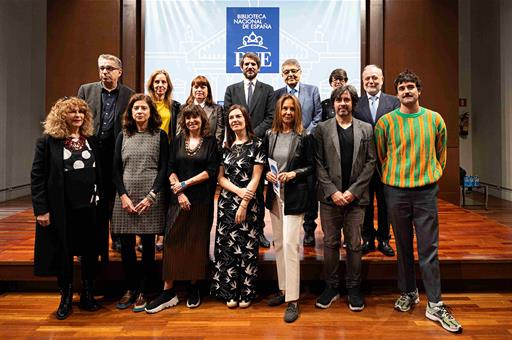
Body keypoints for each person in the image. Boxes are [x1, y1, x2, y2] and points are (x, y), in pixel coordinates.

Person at [374, 70, 462, 333]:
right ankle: (408, 291)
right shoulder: (385, 123)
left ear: (419, 90)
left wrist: (428, 176)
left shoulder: (435, 120)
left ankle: (434, 304)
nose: (406, 91)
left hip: (425, 192)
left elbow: (441, 155)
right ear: (396, 93)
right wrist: (394, 179)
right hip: (396, 191)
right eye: (401, 88)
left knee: (428, 249)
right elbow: (381, 156)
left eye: (411, 87)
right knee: (402, 246)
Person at [31, 97, 102, 320]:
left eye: (81, 111)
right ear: (62, 115)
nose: (78, 115)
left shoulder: (91, 139)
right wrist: (41, 209)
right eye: (72, 112)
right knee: (64, 253)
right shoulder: (48, 141)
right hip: (62, 209)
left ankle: (88, 293)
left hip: (90, 207)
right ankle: (66, 296)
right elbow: (37, 176)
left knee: (90, 252)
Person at [145, 105, 218, 313]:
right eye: (188, 119)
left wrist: (185, 185)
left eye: (195, 118)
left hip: (201, 200)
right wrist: (179, 191)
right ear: (183, 121)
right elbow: (169, 168)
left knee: (196, 243)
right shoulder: (176, 140)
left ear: (202, 120)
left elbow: (210, 171)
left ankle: (194, 287)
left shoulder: (211, 142)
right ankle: (168, 291)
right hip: (178, 199)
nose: (191, 122)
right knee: (172, 241)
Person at [314, 85, 375, 311]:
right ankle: (331, 287)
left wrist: (353, 191)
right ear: (333, 103)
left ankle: (354, 288)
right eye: (338, 100)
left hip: (356, 200)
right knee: (330, 243)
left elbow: (371, 162)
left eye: (347, 100)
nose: (342, 104)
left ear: (353, 103)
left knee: (354, 245)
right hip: (330, 199)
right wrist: (333, 191)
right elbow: (318, 163)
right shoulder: (321, 129)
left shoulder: (367, 129)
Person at [111, 94, 169, 312]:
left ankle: (144, 289)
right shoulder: (123, 135)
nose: (140, 112)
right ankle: (130, 287)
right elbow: (115, 170)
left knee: (147, 247)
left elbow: (164, 169)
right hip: (125, 197)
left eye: (144, 108)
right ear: (131, 112)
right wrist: (123, 195)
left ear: (150, 112)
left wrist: (151, 196)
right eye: (136, 109)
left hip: (150, 197)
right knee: (125, 247)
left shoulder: (160, 135)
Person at [78, 54, 134, 255]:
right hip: (92, 152)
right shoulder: (86, 90)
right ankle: (95, 238)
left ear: (119, 72)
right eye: (101, 68)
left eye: (109, 68)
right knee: (95, 195)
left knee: (116, 195)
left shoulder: (129, 94)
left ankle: (117, 237)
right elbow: (79, 119)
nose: (105, 72)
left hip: (118, 151)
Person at [264, 94, 314, 323]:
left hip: (295, 196)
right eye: (284, 109)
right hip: (275, 196)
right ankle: (283, 290)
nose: (287, 113)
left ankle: (293, 300)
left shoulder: (304, 137)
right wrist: (266, 172)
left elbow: (311, 166)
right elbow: (266, 162)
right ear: (278, 111)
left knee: (291, 245)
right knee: (279, 245)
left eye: (291, 109)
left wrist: (294, 173)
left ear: (297, 112)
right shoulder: (270, 135)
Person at [211, 104, 265, 309]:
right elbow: (220, 178)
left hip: (248, 204)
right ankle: (229, 292)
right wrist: (237, 192)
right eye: (231, 117)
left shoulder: (257, 144)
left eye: (238, 117)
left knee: (246, 249)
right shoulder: (226, 148)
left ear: (246, 119)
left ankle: (246, 292)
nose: (234, 120)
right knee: (227, 249)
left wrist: (244, 202)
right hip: (226, 204)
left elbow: (256, 178)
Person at [224, 52, 274, 248]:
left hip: (258, 147)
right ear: (241, 67)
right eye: (246, 64)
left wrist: (251, 135)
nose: (250, 67)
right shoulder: (231, 89)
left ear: (259, 67)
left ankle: (258, 230)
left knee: (257, 189)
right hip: (235, 147)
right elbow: (229, 115)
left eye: (253, 64)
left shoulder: (268, 90)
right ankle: (234, 227)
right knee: (235, 186)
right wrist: (242, 134)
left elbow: (270, 117)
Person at [274, 59, 322, 247]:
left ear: (300, 72)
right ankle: (285, 230)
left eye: (294, 71)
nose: (291, 74)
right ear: (282, 75)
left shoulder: (312, 90)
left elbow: (318, 115)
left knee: (309, 189)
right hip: (284, 149)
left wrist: (304, 134)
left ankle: (309, 230)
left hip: (307, 145)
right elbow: (276, 117)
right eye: (286, 72)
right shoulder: (277, 94)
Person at [354, 64, 399, 257]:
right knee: (365, 204)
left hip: (386, 163)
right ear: (363, 81)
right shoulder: (356, 103)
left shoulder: (394, 102)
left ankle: (384, 240)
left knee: (384, 204)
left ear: (382, 80)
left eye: (375, 78)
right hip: (363, 164)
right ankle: (367, 239)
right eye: (367, 79)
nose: (371, 81)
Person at [146, 70, 181, 252]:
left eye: (163, 82)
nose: (160, 85)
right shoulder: (145, 104)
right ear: (152, 85)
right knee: (150, 191)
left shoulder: (175, 106)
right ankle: (145, 236)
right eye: (157, 82)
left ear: (168, 86)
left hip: (167, 152)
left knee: (166, 195)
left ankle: (161, 235)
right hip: (149, 151)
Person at [181, 75, 225, 149]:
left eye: (202, 87)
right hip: (188, 151)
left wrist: (212, 150)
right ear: (192, 90)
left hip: (211, 151)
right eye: (196, 87)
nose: (199, 90)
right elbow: (180, 132)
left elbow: (219, 134)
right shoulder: (183, 108)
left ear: (208, 90)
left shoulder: (217, 109)